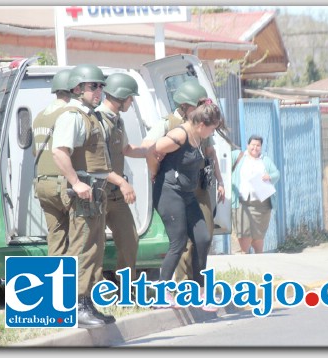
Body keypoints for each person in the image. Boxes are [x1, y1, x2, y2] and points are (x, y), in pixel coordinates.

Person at [142, 80, 227, 282]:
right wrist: (154, 171)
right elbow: (149, 148)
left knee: (203, 237)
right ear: (185, 106)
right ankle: (176, 285)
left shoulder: (202, 127)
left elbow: (210, 153)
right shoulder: (172, 125)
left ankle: (199, 286)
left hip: (195, 186)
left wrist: (220, 180)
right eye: (198, 105)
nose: (202, 109)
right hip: (172, 188)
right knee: (179, 241)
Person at [51, 64, 115, 327]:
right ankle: (75, 305)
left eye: (101, 86)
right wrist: (76, 182)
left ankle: (87, 302)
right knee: (81, 249)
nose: (99, 90)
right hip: (84, 192)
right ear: (77, 89)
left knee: (95, 249)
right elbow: (59, 152)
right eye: (93, 86)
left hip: (96, 192)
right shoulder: (73, 115)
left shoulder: (91, 115)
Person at [95, 72, 147, 283]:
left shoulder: (117, 121)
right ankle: (91, 295)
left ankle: (125, 290)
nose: (132, 101)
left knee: (129, 240)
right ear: (120, 95)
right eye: (130, 97)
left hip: (114, 195)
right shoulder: (97, 121)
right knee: (93, 246)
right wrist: (123, 182)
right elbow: (96, 166)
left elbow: (125, 148)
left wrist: (152, 150)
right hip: (97, 194)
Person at [32, 69, 71, 257]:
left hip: (43, 184)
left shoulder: (40, 115)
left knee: (56, 237)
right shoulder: (69, 113)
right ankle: (79, 284)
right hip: (63, 184)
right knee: (81, 236)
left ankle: (56, 284)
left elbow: (35, 151)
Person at [231, 135, 280, 254]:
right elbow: (223, 163)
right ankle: (243, 257)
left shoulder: (265, 160)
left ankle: (257, 260)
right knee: (243, 232)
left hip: (261, 204)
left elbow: (276, 174)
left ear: (261, 147)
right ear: (248, 145)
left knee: (258, 236)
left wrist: (270, 177)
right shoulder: (239, 156)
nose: (255, 147)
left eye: (258, 145)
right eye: (253, 145)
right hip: (242, 202)